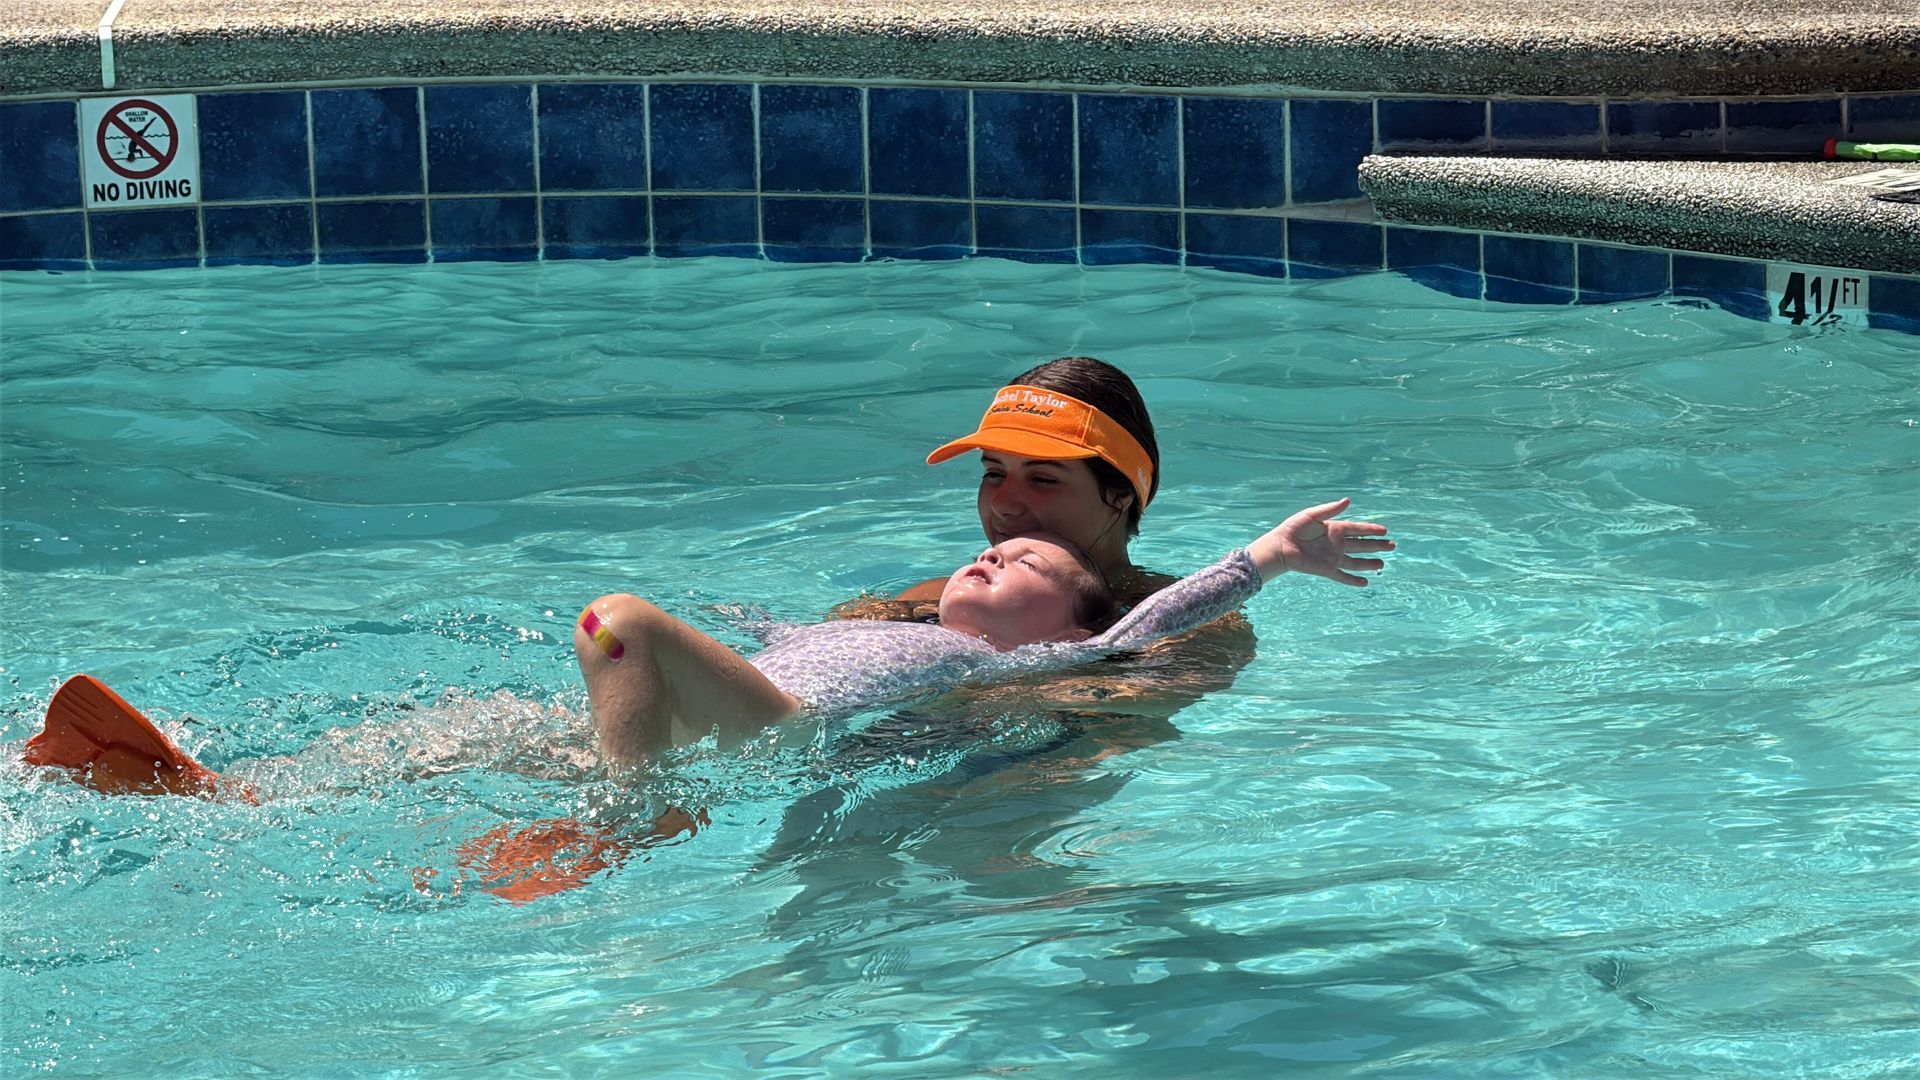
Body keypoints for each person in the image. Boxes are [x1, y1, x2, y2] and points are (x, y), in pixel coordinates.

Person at [574, 490, 1372, 764]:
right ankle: (613, 790)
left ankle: (640, 813)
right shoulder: (890, 627)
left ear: (1066, 631)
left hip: (784, 721)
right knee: (529, 720)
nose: (993, 552)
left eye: (1028, 564)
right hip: (726, 706)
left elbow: (1157, 617)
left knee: (614, 621)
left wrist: (1268, 557)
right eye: (990, 551)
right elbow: (776, 637)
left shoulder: (1034, 660)